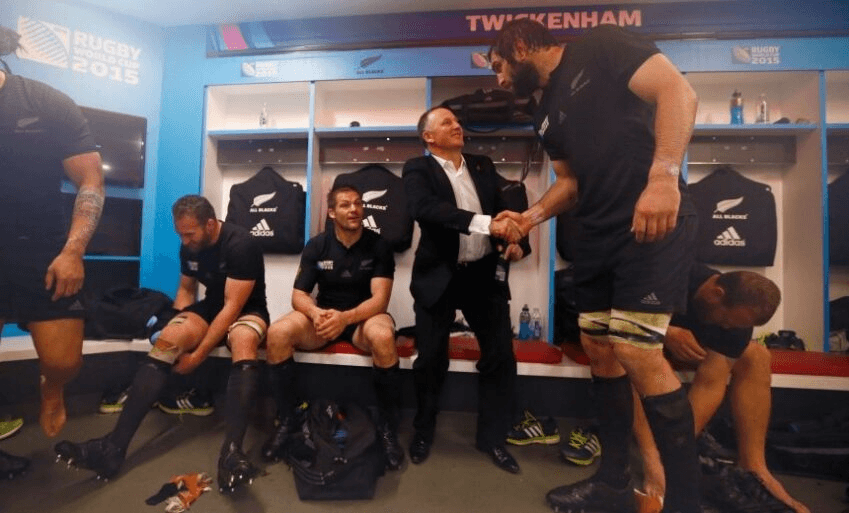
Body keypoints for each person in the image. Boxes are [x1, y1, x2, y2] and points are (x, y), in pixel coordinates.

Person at [490, 20, 700, 512]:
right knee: (600, 349)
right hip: (597, 235)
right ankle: (612, 484)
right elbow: (571, 182)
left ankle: (686, 502)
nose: (499, 80)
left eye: (499, 65)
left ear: (520, 45)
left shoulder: (602, 45)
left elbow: (677, 91)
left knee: (638, 351)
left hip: (650, 222)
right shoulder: (542, 113)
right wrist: (530, 217)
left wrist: (664, 175)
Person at [55, 195, 269, 493]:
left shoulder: (240, 243)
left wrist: (198, 356)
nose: (185, 239)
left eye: (190, 233)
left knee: (243, 338)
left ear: (210, 224)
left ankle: (232, 453)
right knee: (168, 339)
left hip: (247, 309)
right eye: (180, 233)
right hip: (211, 308)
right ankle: (112, 448)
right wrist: (178, 328)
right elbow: (186, 289)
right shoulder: (190, 245)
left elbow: (232, 308)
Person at [0, 26, 104, 479]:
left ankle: (51, 389)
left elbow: (90, 180)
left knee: (63, 361)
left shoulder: (44, 102)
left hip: (41, 252)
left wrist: (73, 251)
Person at [402, 105, 529, 474]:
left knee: (501, 356)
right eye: (447, 122)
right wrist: (487, 225)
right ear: (429, 137)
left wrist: (515, 242)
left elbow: (506, 210)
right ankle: (423, 431)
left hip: (482, 277)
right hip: (438, 276)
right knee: (430, 359)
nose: (457, 125)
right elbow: (425, 209)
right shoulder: (418, 168)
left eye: (457, 121)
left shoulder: (482, 164)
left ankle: (492, 438)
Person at [630, 264, 808, 513]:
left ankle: (753, 465)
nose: (726, 328)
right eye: (724, 320)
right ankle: (652, 458)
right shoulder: (671, 273)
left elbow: (710, 382)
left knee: (756, 356)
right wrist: (665, 331)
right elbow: (622, 319)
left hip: (689, 351)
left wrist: (675, 448)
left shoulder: (738, 322)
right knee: (640, 354)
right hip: (639, 338)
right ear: (717, 294)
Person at [260, 185, 404, 471]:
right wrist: (315, 313)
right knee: (277, 333)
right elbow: (299, 295)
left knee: (383, 336)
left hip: (363, 318)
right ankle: (289, 419)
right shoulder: (317, 245)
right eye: (346, 205)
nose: (354, 209)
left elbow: (380, 299)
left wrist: (345, 318)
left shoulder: (378, 246)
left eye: (358, 204)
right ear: (331, 212)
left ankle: (387, 428)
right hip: (324, 317)